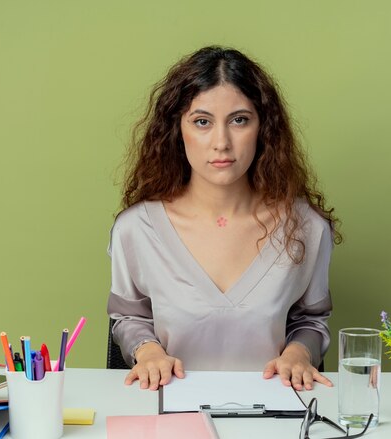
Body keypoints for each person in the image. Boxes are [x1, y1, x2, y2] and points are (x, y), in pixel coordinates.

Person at [107, 46, 341, 392]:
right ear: (178, 130)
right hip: (168, 415)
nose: (222, 142)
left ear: (263, 129)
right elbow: (130, 316)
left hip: (276, 418)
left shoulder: (307, 228)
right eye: (202, 122)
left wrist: (299, 351)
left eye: (239, 120)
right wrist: (148, 350)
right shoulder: (135, 229)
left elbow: (310, 318)